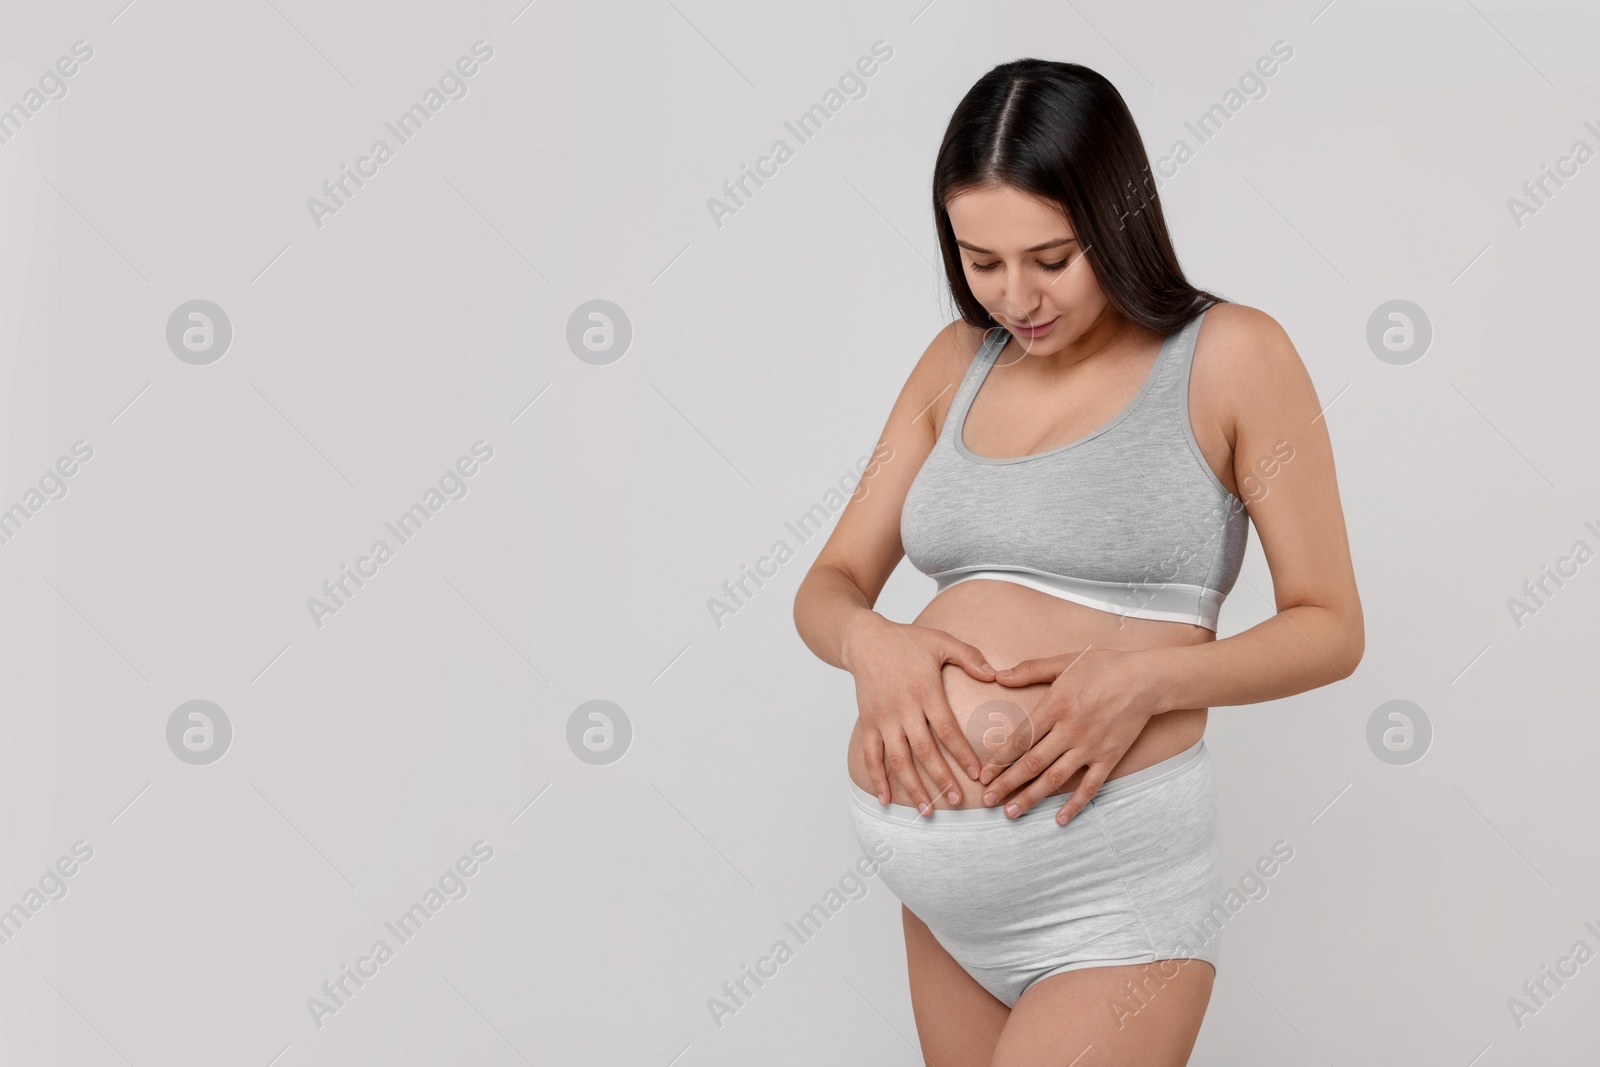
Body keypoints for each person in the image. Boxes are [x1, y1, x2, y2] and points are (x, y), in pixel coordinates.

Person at [791, 58, 1363, 1066]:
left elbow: (1329, 625)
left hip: (1114, 900)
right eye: (980, 260)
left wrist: (1149, 676)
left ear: (1116, 216)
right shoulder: (949, 366)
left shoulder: (1232, 354)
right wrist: (870, 643)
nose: (1015, 296)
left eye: (1051, 258)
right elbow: (828, 584)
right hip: (945, 907)